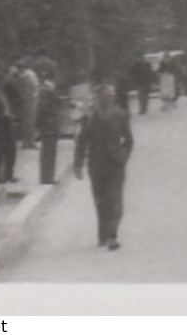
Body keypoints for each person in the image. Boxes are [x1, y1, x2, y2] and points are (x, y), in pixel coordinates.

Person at [74, 84, 134, 250]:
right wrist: (78, 164)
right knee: (100, 201)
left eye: (111, 95)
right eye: (105, 96)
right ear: (98, 98)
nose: (108, 98)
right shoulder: (90, 117)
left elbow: (128, 140)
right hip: (96, 164)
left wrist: (123, 156)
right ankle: (103, 235)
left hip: (115, 164)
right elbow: (82, 141)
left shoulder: (120, 115)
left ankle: (112, 236)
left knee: (115, 201)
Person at [37, 77, 61, 185]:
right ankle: (47, 177)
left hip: (48, 126)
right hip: (49, 126)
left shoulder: (44, 92)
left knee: (48, 152)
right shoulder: (47, 92)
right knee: (49, 152)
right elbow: (45, 110)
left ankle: (47, 176)